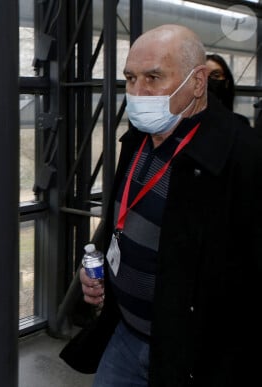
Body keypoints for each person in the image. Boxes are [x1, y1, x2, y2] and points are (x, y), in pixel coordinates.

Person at [60, 24, 261, 387]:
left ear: (198, 82)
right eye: (130, 78)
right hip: (124, 335)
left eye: (153, 77)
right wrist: (106, 268)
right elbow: (127, 220)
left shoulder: (242, 157)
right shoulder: (136, 140)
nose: (137, 93)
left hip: (192, 358)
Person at [205, 53, 251, 126]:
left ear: (227, 82)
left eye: (216, 75)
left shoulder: (239, 122)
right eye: (202, 75)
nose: (208, 81)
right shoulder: (185, 122)